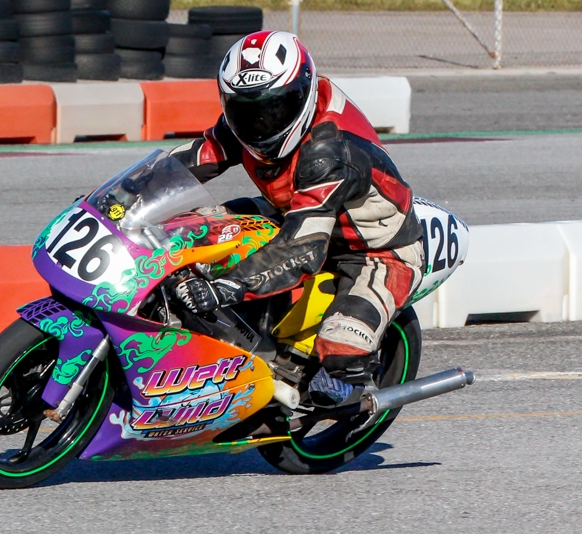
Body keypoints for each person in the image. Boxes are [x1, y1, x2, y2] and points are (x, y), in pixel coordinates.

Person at [171, 30, 424, 407]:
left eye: (276, 108)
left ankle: (347, 391)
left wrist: (227, 286)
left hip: (374, 249)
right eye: (247, 110)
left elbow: (302, 249)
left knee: (340, 348)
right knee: (192, 228)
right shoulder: (245, 121)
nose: (262, 122)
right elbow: (191, 160)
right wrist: (118, 199)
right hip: (295, 212)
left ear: (303, 94)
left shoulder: (329, 151)